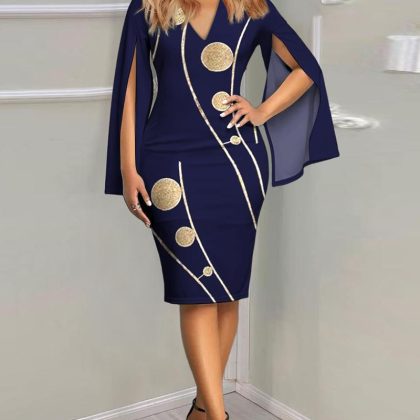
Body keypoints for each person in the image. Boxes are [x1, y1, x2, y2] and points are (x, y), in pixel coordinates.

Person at [104, 0, 340, 418]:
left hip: (237, 166)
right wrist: (127, 168)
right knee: (196, 291)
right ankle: (218, 414)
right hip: (167, 163)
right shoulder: (149, 6)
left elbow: (306, 69)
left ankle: (203, 409)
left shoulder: (251, 6)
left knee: (227, 293)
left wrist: (262, 111)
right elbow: (130, 89)